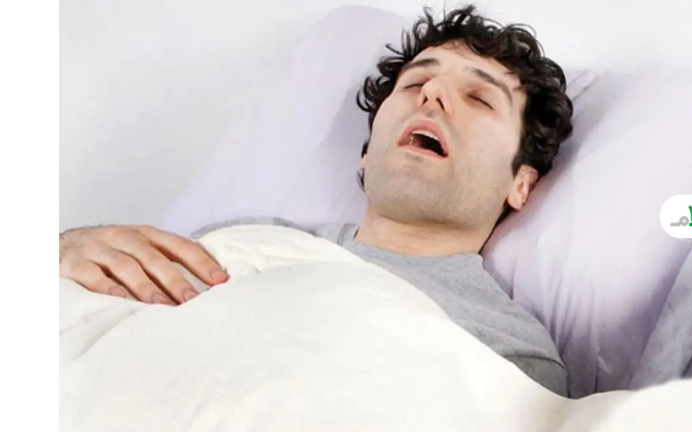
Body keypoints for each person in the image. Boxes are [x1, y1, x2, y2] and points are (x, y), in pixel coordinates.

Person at [58, 5, 574, 396]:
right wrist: (68, 253)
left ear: (521, 184)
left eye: (479, 98)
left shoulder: (512, 351)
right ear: (365, 156)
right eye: (415, 82)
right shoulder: (242, 240)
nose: (432, 94)